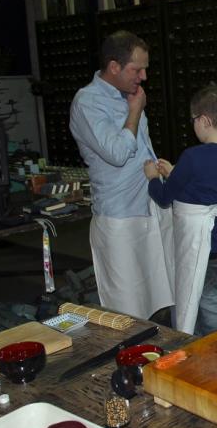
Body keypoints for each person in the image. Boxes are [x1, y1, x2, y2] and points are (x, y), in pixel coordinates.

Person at [69, 30, 174, 320]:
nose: (143, 77)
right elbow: (116, 153)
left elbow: (140, 148)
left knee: (162, 297)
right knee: (127, 309)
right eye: (136, 70)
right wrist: (135, 112)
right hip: (119, 216)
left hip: (150, 207)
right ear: (114, 66)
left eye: (145, 69)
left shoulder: (129, 94)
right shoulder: (87, 102)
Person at [145, 84, 217, 335]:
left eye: (193, 119)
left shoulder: (192, 157)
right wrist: (175, 173)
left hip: (202, 245)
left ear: (205, 120)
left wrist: (153, 178)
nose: (193, 125)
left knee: (206, 302)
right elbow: (208, 188)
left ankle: (211, 341)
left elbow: (164, 197)